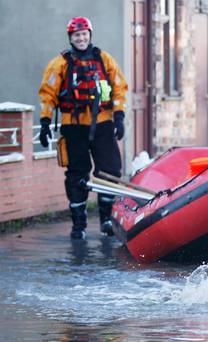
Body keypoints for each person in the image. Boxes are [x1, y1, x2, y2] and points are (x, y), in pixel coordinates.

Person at [38, 17, 128, 240]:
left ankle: (106, 219)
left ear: (90, 35)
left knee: (110, 170)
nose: (81, 38)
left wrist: (119, 116)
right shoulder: (60, 64)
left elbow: (119, 88)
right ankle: (79, 224)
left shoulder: (104, 59)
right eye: (76, 35)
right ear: (71, 38)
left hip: (103, 122)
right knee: (77, 173)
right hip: (73, 125)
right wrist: (45, 122)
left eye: (84, 34)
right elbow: (47, 94)